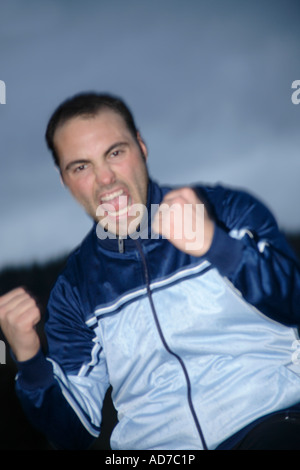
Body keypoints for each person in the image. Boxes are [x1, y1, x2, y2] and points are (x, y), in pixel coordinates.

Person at [0, 92, 300, 450]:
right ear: (64, 179)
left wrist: (217, 247)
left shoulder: (226, 211)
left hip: (269, 423)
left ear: (141, 146)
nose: (105, 179)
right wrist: (30, 358)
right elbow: (73, 433)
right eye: (81, 166)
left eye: (115, 152)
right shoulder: (74, 290)